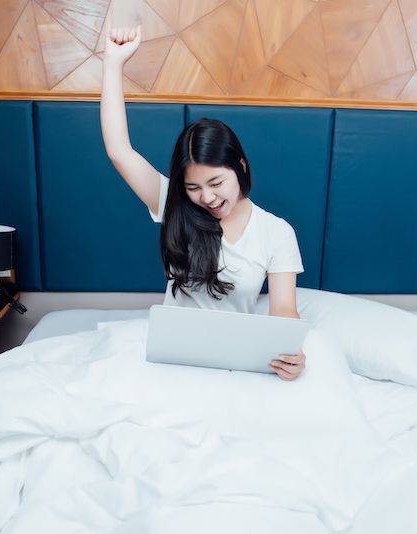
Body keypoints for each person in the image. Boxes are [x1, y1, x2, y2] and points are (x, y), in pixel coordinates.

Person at [101, 26, 306, 380]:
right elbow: (119, 151)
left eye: (216, 183)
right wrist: (113, 63)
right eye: (193, 186)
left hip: (235, 362)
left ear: (239, 167)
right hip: (172, 358)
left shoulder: (277, 232)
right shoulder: (175, 204)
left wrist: (291, 350)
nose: (207, 198)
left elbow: (284, 309)